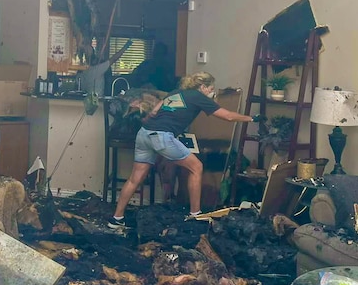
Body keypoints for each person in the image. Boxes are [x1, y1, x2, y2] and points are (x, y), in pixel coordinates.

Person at [107, 71, 254, 230]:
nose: (212, 91)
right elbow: (228, 117)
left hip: (144, 134)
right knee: (196, 167)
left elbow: (155, 111)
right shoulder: (198, 97)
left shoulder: (176, 93)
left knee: (134, 179)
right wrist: (251, 118)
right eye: (210, 88)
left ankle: (117, 219)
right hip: (161, 136)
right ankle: (195, 214)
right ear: (202, 87)